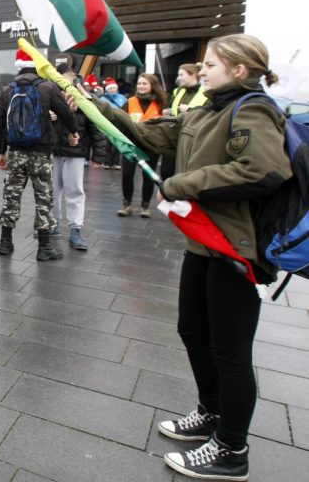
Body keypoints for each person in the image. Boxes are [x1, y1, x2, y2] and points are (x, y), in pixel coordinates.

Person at [91, 34, 289, 481]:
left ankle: (231, 449)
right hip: (201, 242)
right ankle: (211, 413)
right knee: (192, 331)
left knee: (230, 351)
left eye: (212, 65)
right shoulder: (205, 109)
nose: (204, 71)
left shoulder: (253, 110)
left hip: (234, 249)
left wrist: (182, 183)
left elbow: (262, 168)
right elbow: (146, 133)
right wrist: (95, 105)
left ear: (240, 70)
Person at [0, 49, 78, 261]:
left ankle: (5, 243)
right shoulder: (47, 87)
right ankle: (44, 248)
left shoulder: (7, 90)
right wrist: (73, 132)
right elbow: (65, 112)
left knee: (11, 196)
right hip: (41, 152)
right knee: (44, 198)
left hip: (16, 153)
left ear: (19, 66)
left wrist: (1, 151)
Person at [49, 63, 107, 251]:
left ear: (73, 76)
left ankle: (75, 229)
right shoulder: (51, 94)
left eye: (65, 75)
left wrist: (98, 155)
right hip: (54, 150)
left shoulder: (84, 98)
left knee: (75, 191)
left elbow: (96, 127)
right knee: (52, 190)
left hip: (75, 152)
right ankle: (54, 223)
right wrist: (47, 116)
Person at [118, 73, 168, 218]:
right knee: (127, 174)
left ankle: (145, 206)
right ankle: (127, 204)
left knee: (148, 175)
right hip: (131, 145)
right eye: (139, 84)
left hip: (151, 146)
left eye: (145, 84)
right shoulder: (130, 101)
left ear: (152, 85)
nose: (141, 86)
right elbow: (121, 120)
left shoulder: (161, 103)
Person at [160, 63, 209, 180]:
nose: (178, 78)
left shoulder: (206, 92)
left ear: (193, 75)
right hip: (174, 135)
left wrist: (190, 110)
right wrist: (169, 111)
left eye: (181, 75)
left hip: (194, 137)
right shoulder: (177, 91)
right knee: (166, 171)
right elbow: (174, 109)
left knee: (185, 171)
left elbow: (210, 112)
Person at [101, 77, 127, 170]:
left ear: (117, 88)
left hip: (119, 123)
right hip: (108, 122)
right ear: (107, 89)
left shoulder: (122, 98)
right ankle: (107, 162)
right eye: (110, 88)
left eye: (114, 88)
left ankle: (116, 163)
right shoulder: (103, 99)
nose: (112, 90)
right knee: (107, 144)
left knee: (117, 144)